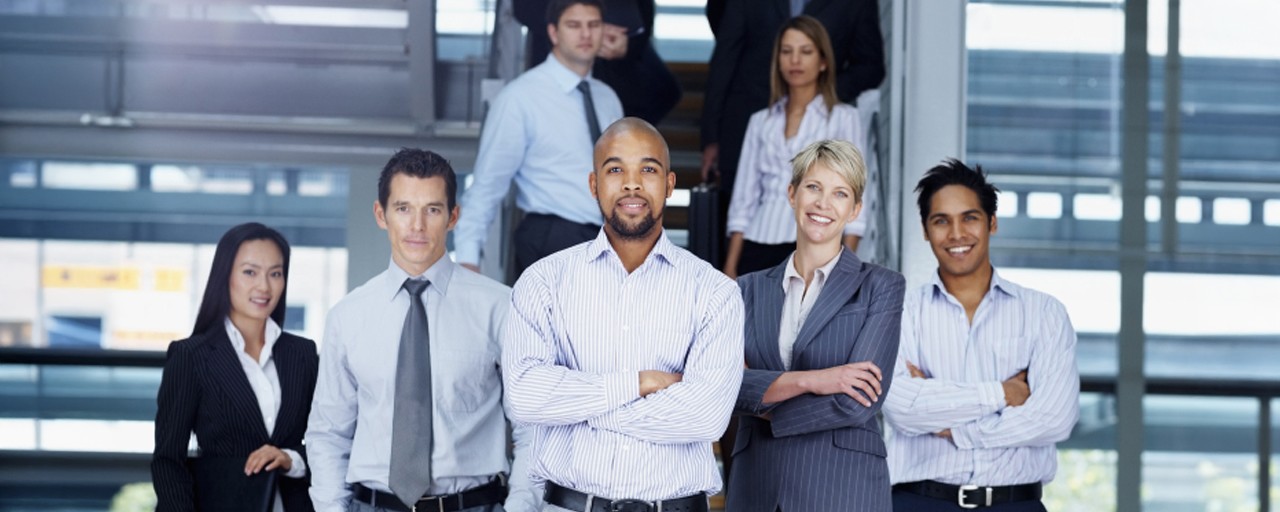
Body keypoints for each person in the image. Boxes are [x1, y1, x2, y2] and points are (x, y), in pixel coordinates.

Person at [502, 118, 744, 512]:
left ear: (669, 184)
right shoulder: (543, 282)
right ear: (594, 184)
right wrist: (638, 383)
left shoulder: (715, 293)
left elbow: (705, 417)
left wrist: (582, 410)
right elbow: (526, 398)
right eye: (615, 170)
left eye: (648, 169)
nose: (632, 184)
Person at [306, 149, 536, 512]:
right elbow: (329, 433)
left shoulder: (502, 308)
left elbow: (533, 428)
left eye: (432, 209)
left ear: (453, 216)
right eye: (403, 208)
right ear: (381, 215)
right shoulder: (347, 317)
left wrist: (520, 507)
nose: (417, 226)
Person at [882, 160, 1080, 511]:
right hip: (919, 502)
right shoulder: (899, 314)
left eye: (969, 218)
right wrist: (1003, 393)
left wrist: (952, 427)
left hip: (1015, 504)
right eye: (941, 221)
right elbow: (903, 410)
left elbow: (1054, 419)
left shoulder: (1044, 314)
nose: (956, 234)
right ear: (926, 231)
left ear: (992, 222)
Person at [726, 140, 904, 511]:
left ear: (855, 209)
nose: (823, 203)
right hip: (758, 488)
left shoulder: (881, 287)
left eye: (840, 193)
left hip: (842, 491)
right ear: (792, 194)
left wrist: (767, 407)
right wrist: (815, 380)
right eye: (813, 187)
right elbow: (726, 386)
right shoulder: (746, 290)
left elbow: (858, 401)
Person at [152, 222, 319, 512]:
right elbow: (168, 461)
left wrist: (291, 459)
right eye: (250, 272)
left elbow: (331, 444)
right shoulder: (191, 357)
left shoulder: (302, 354)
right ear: (225, 276)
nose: (264, 286)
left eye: (275, 273)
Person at [456, 0, 624, 277]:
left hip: (606, 240)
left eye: (593, 25)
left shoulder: (608, 98)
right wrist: (467, 259)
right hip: (552, 236)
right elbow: (487, 184)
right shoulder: (520, 97)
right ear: (553, 32)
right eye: (574, 25)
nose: (585, 34)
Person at [701, 0, 885, 246]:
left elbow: (871, 66)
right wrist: (711, 137)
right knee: (736, 228)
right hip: (744, 126)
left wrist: (817, 92)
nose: (795, 60)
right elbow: (724, 56)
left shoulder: (856, 4)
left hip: (820, 131)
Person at [722, 16, 866, 279]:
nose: (795, 60)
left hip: (818, 243)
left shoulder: (844, 118)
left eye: (806, 51)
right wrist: (731, 265)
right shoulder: (760, 121)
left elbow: (858, 194)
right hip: (759, 241)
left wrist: (846, 266)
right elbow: (744, 197)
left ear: (823, 61)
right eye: (787, 51)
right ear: (778, 60)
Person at [515, 0, 682, 125]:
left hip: (621, 48)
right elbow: (523, 7)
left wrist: (631, 44)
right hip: (561, 47)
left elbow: (643, 8)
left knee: (665, 90)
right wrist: (580, 30)